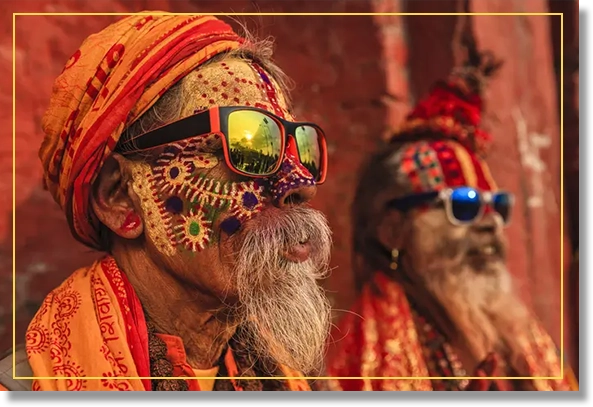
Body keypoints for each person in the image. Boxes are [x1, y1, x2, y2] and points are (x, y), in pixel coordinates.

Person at [0, 13, 333, 391]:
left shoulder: (289, 376)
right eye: (250, 146)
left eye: (300, 147)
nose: (300, 183)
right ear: (120, 197)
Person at [324, 47, 578, 391]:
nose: (490, 223)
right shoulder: (362, 362)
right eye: (464, 204)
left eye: (497, 205)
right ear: (393, 232)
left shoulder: (521, 341)